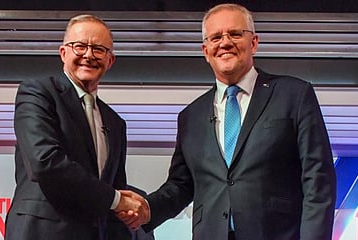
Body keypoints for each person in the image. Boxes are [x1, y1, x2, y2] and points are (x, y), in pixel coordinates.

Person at [119, 3, 336, 240]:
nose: (225, 42)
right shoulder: (191, 116)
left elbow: (318, 179)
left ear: (253, 42)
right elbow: (182, 185)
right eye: (215, 37)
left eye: (235, 34)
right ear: (206, 50)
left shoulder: (294, 95)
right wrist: (149, 208)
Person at [5, 14, 143, 240]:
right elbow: (45, 162)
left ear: (110, 60)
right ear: (63, 53)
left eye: (99, 49)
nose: (88, 55)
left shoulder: (115, 123)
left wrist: (134, 211)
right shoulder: (38, 93)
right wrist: (118, 200)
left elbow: (115, 194)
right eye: (79, 46)